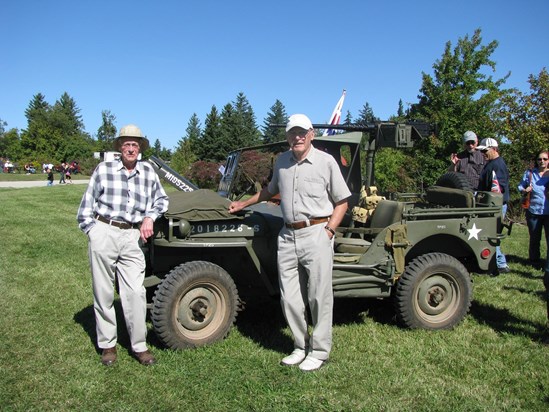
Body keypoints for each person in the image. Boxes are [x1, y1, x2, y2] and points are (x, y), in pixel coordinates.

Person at [228, 114, 351, 371]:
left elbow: (342, 202)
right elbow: (270, 189)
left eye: (302, 132)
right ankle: (299, 346)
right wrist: (244, 203)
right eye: (292, 133)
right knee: (290, 297)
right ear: (287, 136)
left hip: (317, 233)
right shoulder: (282, 161)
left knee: (319, 296)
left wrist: (329, 230)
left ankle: (319, 351)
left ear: (311, 134)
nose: (297, 137)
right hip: (287, 235)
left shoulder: (326, 162)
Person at [77, 124, 169, 366]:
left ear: (140, 149)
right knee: (104, 291)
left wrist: (149, 217)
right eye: (126, 144)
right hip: (104, 231)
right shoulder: (104, 169)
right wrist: (93, 231)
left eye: (135, 144)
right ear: (119, 147)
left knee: (136, 293)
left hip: (132, 236)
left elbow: (162, 199)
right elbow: (86, 205)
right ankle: (108, 345)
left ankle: (139, 345)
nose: (130, 148)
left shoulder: (148, 172)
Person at [477, 137, 511, 274]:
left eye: (485, 150)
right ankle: (498, 262)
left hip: (495, 206)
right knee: (490, 234)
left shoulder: (498, 165)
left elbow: (498, 189)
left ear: (494, 149)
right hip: (490, 205)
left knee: (492, 234)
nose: (483, 153)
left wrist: (492, 205)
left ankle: (500, 264)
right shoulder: (491, 163)